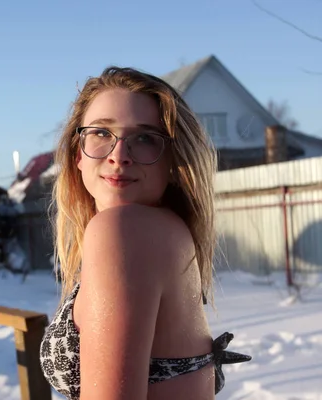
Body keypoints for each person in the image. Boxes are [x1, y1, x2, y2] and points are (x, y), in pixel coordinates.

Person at [39, 66, 251, 399]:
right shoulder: (167, 231)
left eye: (145, 138)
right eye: (101, 133)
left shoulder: (123, 231)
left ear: (173, 161)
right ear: (77, 152)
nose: (119, 156)